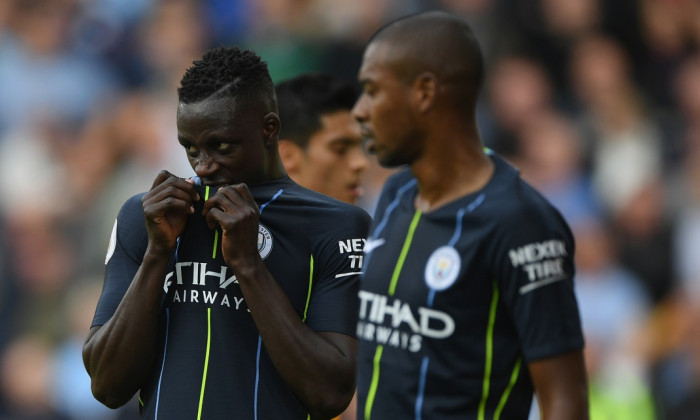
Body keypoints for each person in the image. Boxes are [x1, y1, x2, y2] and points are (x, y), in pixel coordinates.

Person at [82, 45, 372, 419]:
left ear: (269, 128)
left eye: (220, 146)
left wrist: (249, 266)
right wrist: (157, 256)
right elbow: (106, 385)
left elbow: (330, 393)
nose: (203, 167)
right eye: (190, 148)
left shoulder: (339, 227)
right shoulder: (146, 216)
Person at [352, 11, 589, 420]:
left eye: (373, 91)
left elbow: (565, 399)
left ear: (424, 92)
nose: (359, 110)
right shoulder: (395, 193)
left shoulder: (522, 222)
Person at [275, 73, 369, 205]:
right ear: (287, 156)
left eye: (361, 146)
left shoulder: (370, 222)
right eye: (340, 150)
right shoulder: (249, 224)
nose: (361, 163)